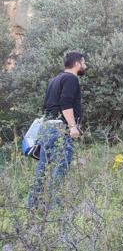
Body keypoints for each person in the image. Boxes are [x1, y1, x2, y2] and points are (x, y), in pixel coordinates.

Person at [28, 51, 87, 210]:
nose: (85, 66)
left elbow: (46, 106)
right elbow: (65, 102)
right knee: (60, 168)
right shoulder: (71, 78)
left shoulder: (54, 80)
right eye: (84, 62)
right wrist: (73, 126)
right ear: (77, 64)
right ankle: (55, 211)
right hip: (60, 129)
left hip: (47, 128)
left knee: (42, 169)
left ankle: (33, 207)